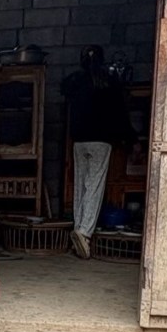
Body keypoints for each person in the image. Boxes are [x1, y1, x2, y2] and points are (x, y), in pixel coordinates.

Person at [60, 45, 134, 259]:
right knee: (94, 186)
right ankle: (84, 233)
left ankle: (78, 227)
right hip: (101, 142)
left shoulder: (76, 81)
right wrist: (131, 140)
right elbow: (120, 114)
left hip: (79, 141)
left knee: (80, 186)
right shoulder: (109, 82)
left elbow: (63, 88)